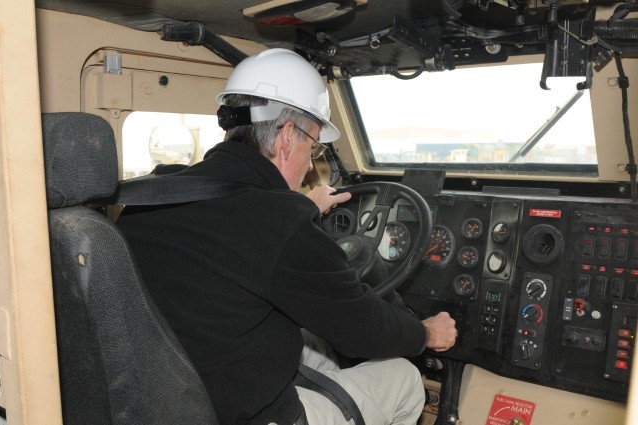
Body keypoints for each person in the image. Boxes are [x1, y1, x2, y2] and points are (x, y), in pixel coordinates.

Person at [117, 48, 457, 425]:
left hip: (169, 395)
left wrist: (304, 210)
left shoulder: (156, 195)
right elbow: (361, 329)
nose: (311, 164)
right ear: (287, 138)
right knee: (404, 378)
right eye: (312, 148)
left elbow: (239, 242)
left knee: (315, 338)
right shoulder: (279, 222)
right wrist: (425, 333)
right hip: (247, 413)